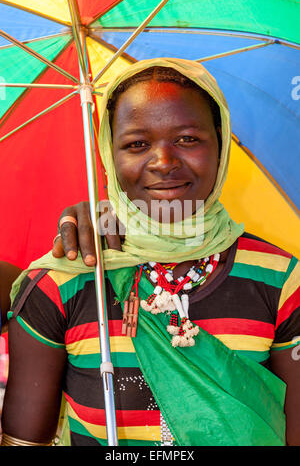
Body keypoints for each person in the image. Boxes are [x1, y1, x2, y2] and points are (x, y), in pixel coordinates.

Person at [1, 58, 300, 447]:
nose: (163, 162)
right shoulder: (64, 281)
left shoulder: (280, 278)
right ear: (109, 156)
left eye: (188, 139)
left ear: (221, 144)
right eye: (136, 144)